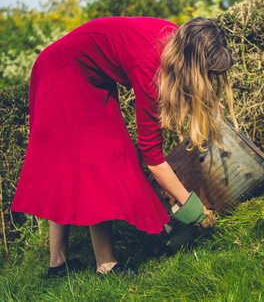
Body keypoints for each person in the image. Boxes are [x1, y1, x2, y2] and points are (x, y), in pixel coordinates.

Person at [11, 16, 237, 278]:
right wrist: (195, 211)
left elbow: (190, 78)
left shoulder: (181, 38)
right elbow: (152, 157)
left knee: (84, 162)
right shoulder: (150, 70)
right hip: (63, 71)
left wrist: (205, 97)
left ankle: (58, 266)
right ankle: (105, 265)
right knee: (100, 160)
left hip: (80, 71)